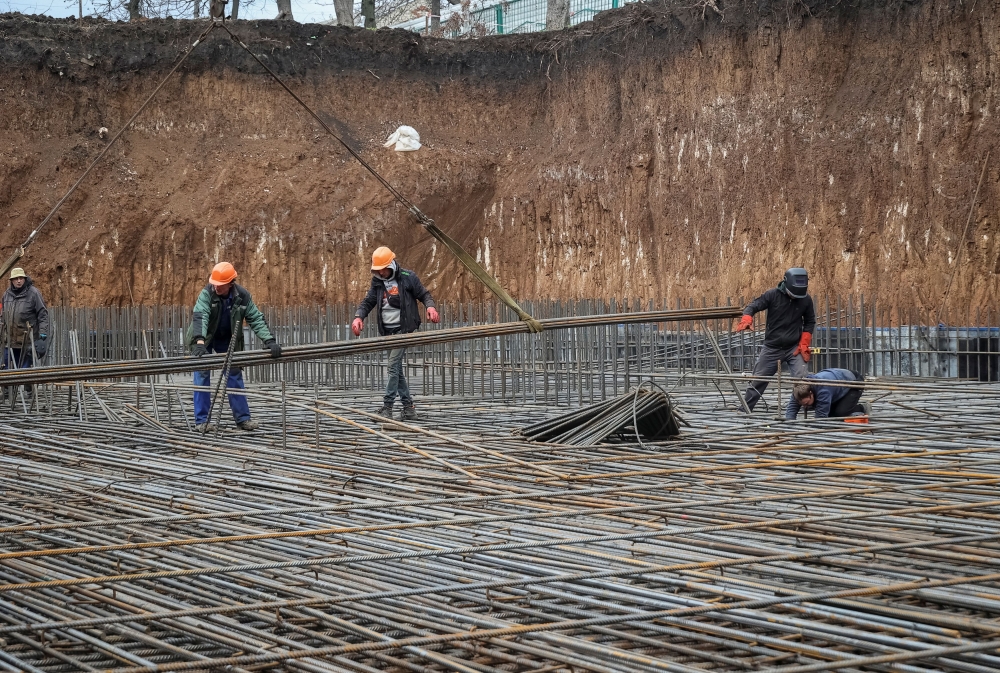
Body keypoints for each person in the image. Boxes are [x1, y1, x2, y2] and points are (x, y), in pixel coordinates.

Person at [188, 262, 281, 432]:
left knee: (234, 373)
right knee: (201, 374)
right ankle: (202, 421)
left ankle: (242, 419)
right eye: (214, 284)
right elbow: (200, 315)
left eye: (220, 285)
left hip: (227, 338)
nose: (216, 287)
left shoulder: (243, 296)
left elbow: (255, 318)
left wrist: (269, 341)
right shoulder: (207, 293)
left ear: (231, 283)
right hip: (206, 338)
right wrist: (199, 342)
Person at [352, 246, 439, 420]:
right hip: (388, 331)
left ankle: (387, 407)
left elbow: (424, 294)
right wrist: (358, 316)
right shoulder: (377, 282)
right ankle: (408, 407)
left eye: (381, 269)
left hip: (404, 329)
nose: (380, 272)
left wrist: (430, 306)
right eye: (377, 270)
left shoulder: (408, 277)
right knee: (396, 370)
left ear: (390, 265)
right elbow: (368, 301)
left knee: (392, 366)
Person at [735, 267, 816, 412]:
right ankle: (745, 409)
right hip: (772, 347)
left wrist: (804, 342)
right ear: (786, 284)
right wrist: (747, 318)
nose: (795, 297)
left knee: (802, 380)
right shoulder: (772, 295)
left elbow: (810, 321)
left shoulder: (805, 300)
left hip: (794, 348)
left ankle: (807, 409)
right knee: (758, 380)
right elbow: (752, 306)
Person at [1, 267, 50, 401]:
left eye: (21, 278)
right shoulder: (7, 295)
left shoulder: (34, 293)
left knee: (25, 370)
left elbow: (43, 314)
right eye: (16, 279)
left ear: (25, 279)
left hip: (27, 340)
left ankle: (29, 391)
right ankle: (5, 391)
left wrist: (43, 333)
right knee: (4, 366)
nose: (18, 281)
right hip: (10, 340)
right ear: (11, 280)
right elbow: (3, 314)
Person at [785, 368, 869, 419]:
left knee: (839, 413)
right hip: (835, 384)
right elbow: (791, 411)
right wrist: (789, 427)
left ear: (811, 393)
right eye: (802, 404)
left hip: (853, 383)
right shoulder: (798, 390)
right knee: (827, 411)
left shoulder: (823, 390)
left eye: (806, 403)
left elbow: (820, 419)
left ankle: (862, 408)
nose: (805, 406)